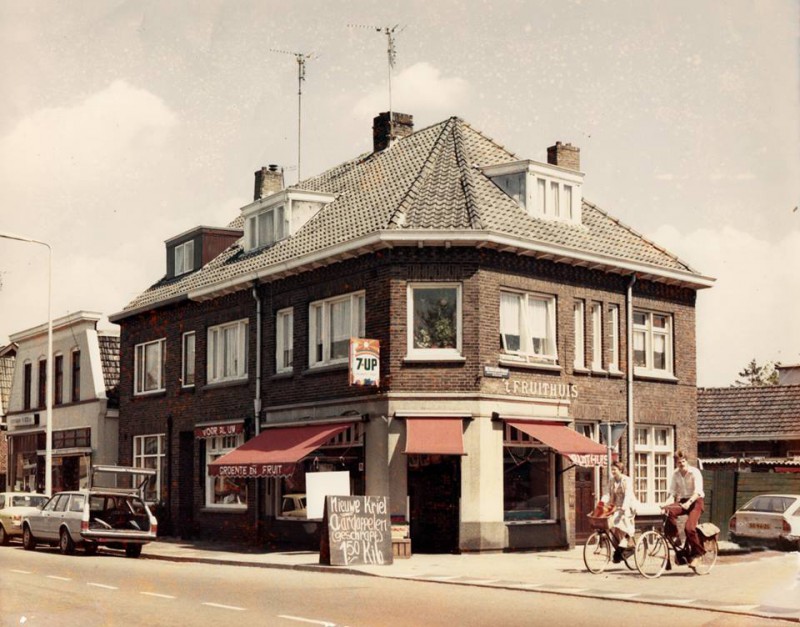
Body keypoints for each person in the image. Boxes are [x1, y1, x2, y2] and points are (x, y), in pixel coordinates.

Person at [662, 451, 705, 568]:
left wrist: (689, 503)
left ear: (686, 461)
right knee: (668, 511)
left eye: (683, 461)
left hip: (696, 501)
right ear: (676, 463)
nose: (681, 464)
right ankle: (676, 538)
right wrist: (665, 504)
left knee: (689, 528)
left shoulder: (695, 472)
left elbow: (698, 491)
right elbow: (672, 492)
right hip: (684, 500)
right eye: (678, 462)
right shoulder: (675, 474)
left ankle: (698, 555)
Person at [607, 461, 636, 552]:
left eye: (614, 469)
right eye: (612, 469)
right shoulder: (611, 481)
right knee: (613, 526)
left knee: (624, 526)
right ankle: (618, 548)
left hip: (627, 506)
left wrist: (624, 507)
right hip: (617, 507)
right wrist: (603, 503)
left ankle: (628, 545)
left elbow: (628, 495)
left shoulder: (627, 480)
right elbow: (609, 495)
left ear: (620, 470)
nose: (613, 471)